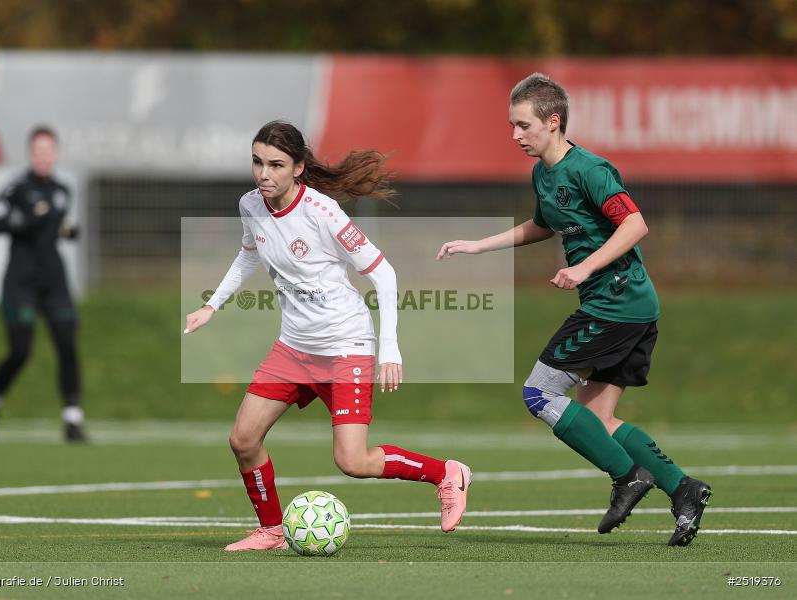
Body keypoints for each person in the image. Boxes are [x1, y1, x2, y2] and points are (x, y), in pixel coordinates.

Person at [437, 73, 711, 547]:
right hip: (628, 308)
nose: (515, 135)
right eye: (511, 125)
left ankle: (629, 477)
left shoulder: (590, 169)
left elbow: (635, 225)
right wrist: (479, 245)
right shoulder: (543, 173)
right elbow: (544, 225)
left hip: (616, 304)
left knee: (539, 393)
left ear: (553, 121)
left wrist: (583, 269)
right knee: (598, 421)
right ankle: (684, 489)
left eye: (523, 125)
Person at [184, 120, 471, 551]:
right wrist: (212, 305)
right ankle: (272, 531)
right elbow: (248, 255)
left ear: (298, 168)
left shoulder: (322, 212)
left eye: (276, 165)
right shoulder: (251, 204)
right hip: (293, 348)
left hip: (345, 347)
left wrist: (390, 347)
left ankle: (446, 473)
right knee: (243, 439)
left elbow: (384, 273)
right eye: (258, 162)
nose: (264, 174)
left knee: (352, 461)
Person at [0, 126, 84, 443]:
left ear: (55, 154)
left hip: (53, 280)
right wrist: (26, 220)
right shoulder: (16, 188)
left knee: (67, 344)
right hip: (21, 281)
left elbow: (59, 227)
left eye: (48, 151)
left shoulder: (62, 190)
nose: (43, 157)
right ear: (30, 154)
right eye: (37, 151)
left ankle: (72, 419)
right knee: (21, 350)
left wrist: (68, 231)